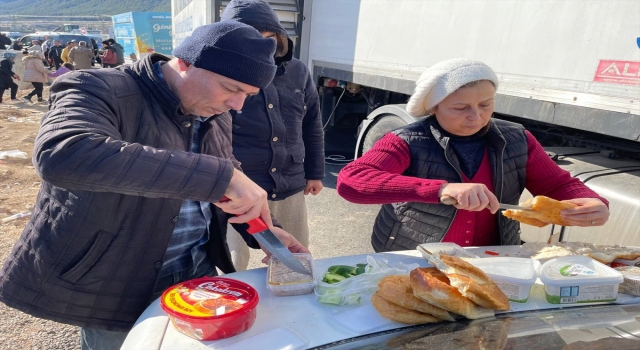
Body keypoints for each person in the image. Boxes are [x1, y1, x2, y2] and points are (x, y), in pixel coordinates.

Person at [0, 21, 307, 350]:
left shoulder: (217, 112)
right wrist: (222, 176)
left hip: (196, 274)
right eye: (231, 88)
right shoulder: (97, 86)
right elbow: (64, 153)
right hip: (117, 281)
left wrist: (264, 230)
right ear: (187, 62)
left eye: (248, 95)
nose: (237, 105)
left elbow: (221, 191)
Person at [337, 58, 610, 252]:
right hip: (415, 254)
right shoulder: (406, 140)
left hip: (493, 256)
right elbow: (351, 182)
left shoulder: (517, 138)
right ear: (434, 107)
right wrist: (443, 189)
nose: (476, 116)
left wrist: (590, 201)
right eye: (460, 108)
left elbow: (557, 184)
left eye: (485, 104)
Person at [221, 0, 325, 270]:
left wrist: (314, 172)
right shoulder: (222, 74)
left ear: (280, 38)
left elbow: (311, 123)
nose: (263, 48)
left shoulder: (299, 71)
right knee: (233, 262)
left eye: (269, 39)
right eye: (252, 39)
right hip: (239, 188)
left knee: (294, 256)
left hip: (289, 184)